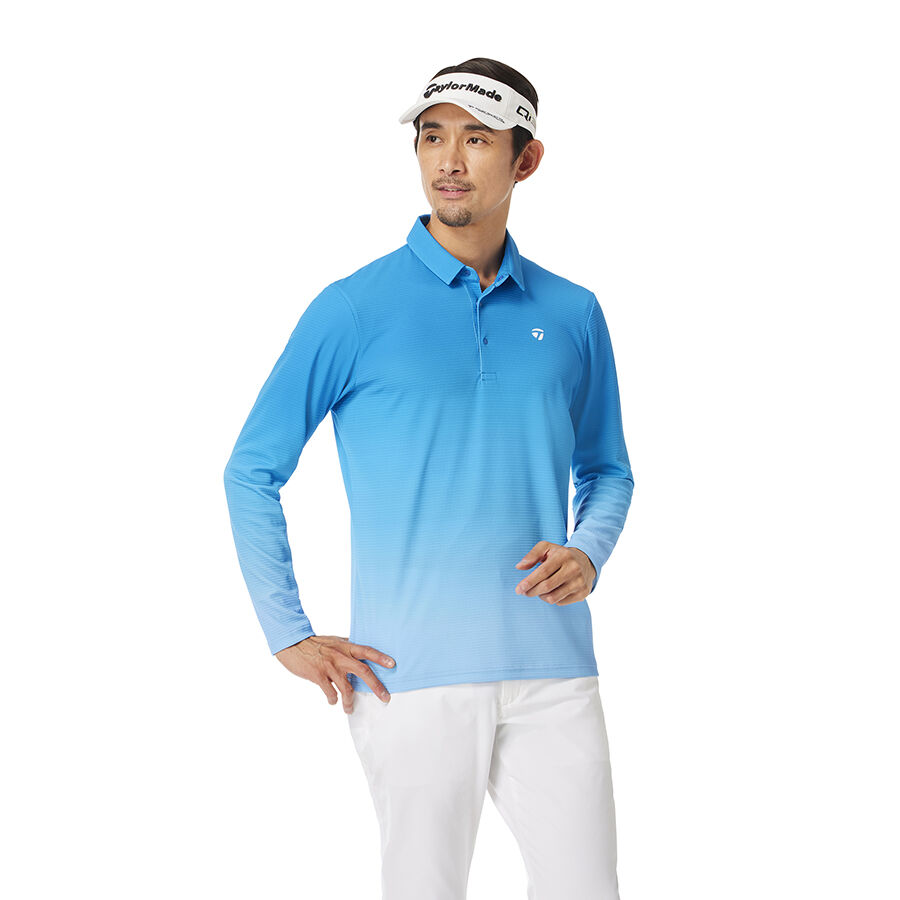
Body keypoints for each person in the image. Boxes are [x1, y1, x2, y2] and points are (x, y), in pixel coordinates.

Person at [224, 57, 634, 900]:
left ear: (526, 160)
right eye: (432, 136)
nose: (448, 160)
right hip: (408, 674)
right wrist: (287, 632)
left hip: (554, 667)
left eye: (477, 140)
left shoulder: (573, 312)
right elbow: (251, 470)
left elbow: (607, 469)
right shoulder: (353, 308)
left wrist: (589, 551)